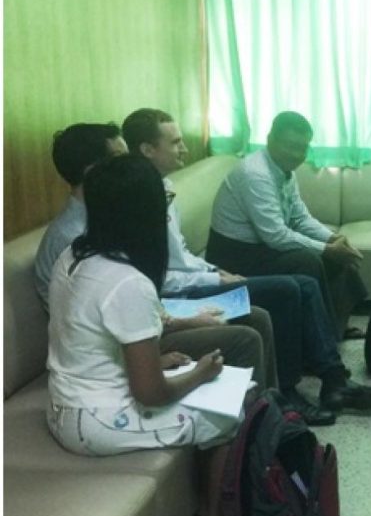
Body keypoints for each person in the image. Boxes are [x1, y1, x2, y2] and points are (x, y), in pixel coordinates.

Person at [121, 108, 371, 425]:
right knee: (292, 284)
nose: (184, 148)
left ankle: (334, 380)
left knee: (306, 279)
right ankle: (288, 390)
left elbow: (180, 255)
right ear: (147, 149)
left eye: (303, 148)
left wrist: (213, 271)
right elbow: (160, 277)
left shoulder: (164, 188)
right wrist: (216, 278)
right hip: (200, 282)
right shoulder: (141, 202)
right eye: (175, 142)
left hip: (208, 273)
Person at [46, 155, 244, 516]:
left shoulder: (74, 257)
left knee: (206, 390)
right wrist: (201, 373)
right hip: (97, 422)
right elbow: (150, 394)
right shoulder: (128, 282)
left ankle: (203, 511)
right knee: (231, 413)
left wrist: (157, 362)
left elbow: (92, 341)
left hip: (63, 406)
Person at [34, 123, 269, 388]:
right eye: (121, 159)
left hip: (143, 324)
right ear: (95, 172)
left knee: (254, 315)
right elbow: (95, 328)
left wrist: (187, 319)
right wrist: (181, 345)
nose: (133, 164)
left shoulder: (110, 217)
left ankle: (270, 405)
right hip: (116, 348)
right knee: (245, 338)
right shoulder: (75, 241)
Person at [206, 111, 368, 341]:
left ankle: (334, 327)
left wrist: (332, 239)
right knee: (308, 260)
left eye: (302, 148)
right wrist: (326, 249)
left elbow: (299, 218)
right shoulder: (256, 174)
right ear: (270, 139)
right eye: (290, 146)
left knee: (334, 256)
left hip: (261, 247)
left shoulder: (284, 171)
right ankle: (320, 337)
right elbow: (276, 236)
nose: (296, 155)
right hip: (234, 255)